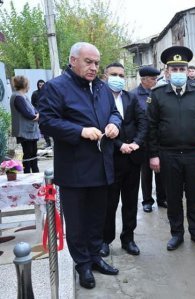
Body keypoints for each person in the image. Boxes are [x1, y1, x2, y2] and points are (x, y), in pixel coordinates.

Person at [39, 42, 122, 289]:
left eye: (97, 63)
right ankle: (82, 265)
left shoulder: (101, 88)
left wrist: (114, 124)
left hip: (101, 166)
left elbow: (115, 113)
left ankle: (96, 257)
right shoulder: (56, 87)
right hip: (75, 169)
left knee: (98, 218)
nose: (94, 67)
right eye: (88, 62)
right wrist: (80, 131)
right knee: (77, 222)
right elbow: (47, 122)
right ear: (73, 60)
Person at [147, 46, 195, 251]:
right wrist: (153, 155)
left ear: (188, 70)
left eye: (182, 69)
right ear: (167, 72)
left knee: (194, 195)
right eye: (174, 69)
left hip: (194, 153)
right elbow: (151, 126)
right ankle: (176, 234)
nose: (178, 73)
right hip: (168, 154)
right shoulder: (158, 94)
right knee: (173, 197)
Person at [100, 62, 147, 257]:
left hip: (132, 159)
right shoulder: (99, 99)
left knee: (130, 202)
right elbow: (102, 125)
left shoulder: (131, 97)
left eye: (121, 75)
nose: (118, 78)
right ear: (105, 75)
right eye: (114, 74)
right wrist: (120, 145)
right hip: (111, 159)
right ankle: (105, 240)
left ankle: (128, 238)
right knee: (109, 203)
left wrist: (136, 143)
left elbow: (143, 122)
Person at [129, 65, 167, 213]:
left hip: (159, 140)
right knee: (146, 173)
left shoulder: (159, 93)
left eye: (156, 78)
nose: (155, 81)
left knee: (161, 171)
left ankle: (162, 198)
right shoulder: (133, 95)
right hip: (143, 141)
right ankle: (147, 201)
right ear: (143, 80)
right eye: (152, 79)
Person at [10, 76, 40, 173]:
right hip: (25, 131)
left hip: (30, 131)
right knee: (28, 155)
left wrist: (37, 114)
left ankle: (35, 174)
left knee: (33, 154)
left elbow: (33, 110)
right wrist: (37, 116)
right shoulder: (17, 97)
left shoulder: (23, 96)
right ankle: (28, 175)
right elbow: (28, 114)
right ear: (25, 85)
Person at [32, 79, 52, 149]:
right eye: (40, 85)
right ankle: (48, 142)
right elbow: (32, 104)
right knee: (43, 128)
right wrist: (36, 111)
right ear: (38, 85)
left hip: (48, 113)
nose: (41, 86)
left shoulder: (48, 92)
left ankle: (53, 143)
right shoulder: (35, 93)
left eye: (42, 85)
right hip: (39, 113)